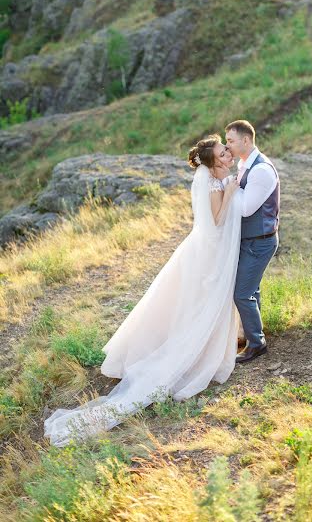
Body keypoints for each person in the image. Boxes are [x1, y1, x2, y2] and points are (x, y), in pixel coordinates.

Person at [43, 134, 242, 447]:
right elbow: (217, 221)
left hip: (203, 248)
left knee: (197, 303)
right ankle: (196, 355)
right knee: (204, 303)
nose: (228, 153)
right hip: (210, 251)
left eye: (227, 149)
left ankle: (207, 346)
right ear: (215, 162)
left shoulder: (209, 176)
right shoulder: (216, 185)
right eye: (223, 152)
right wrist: (230, 191)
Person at [225, 120, 280, 363]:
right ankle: (252, 334)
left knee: (241, 293)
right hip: (250, 239)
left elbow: (246, 209)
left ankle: (257, 344)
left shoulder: (261, 170)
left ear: (245, 140)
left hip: (261, 240)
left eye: (230, 141)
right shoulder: (244, 164)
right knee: (251, 290)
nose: (227, 145)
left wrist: (230, 187)